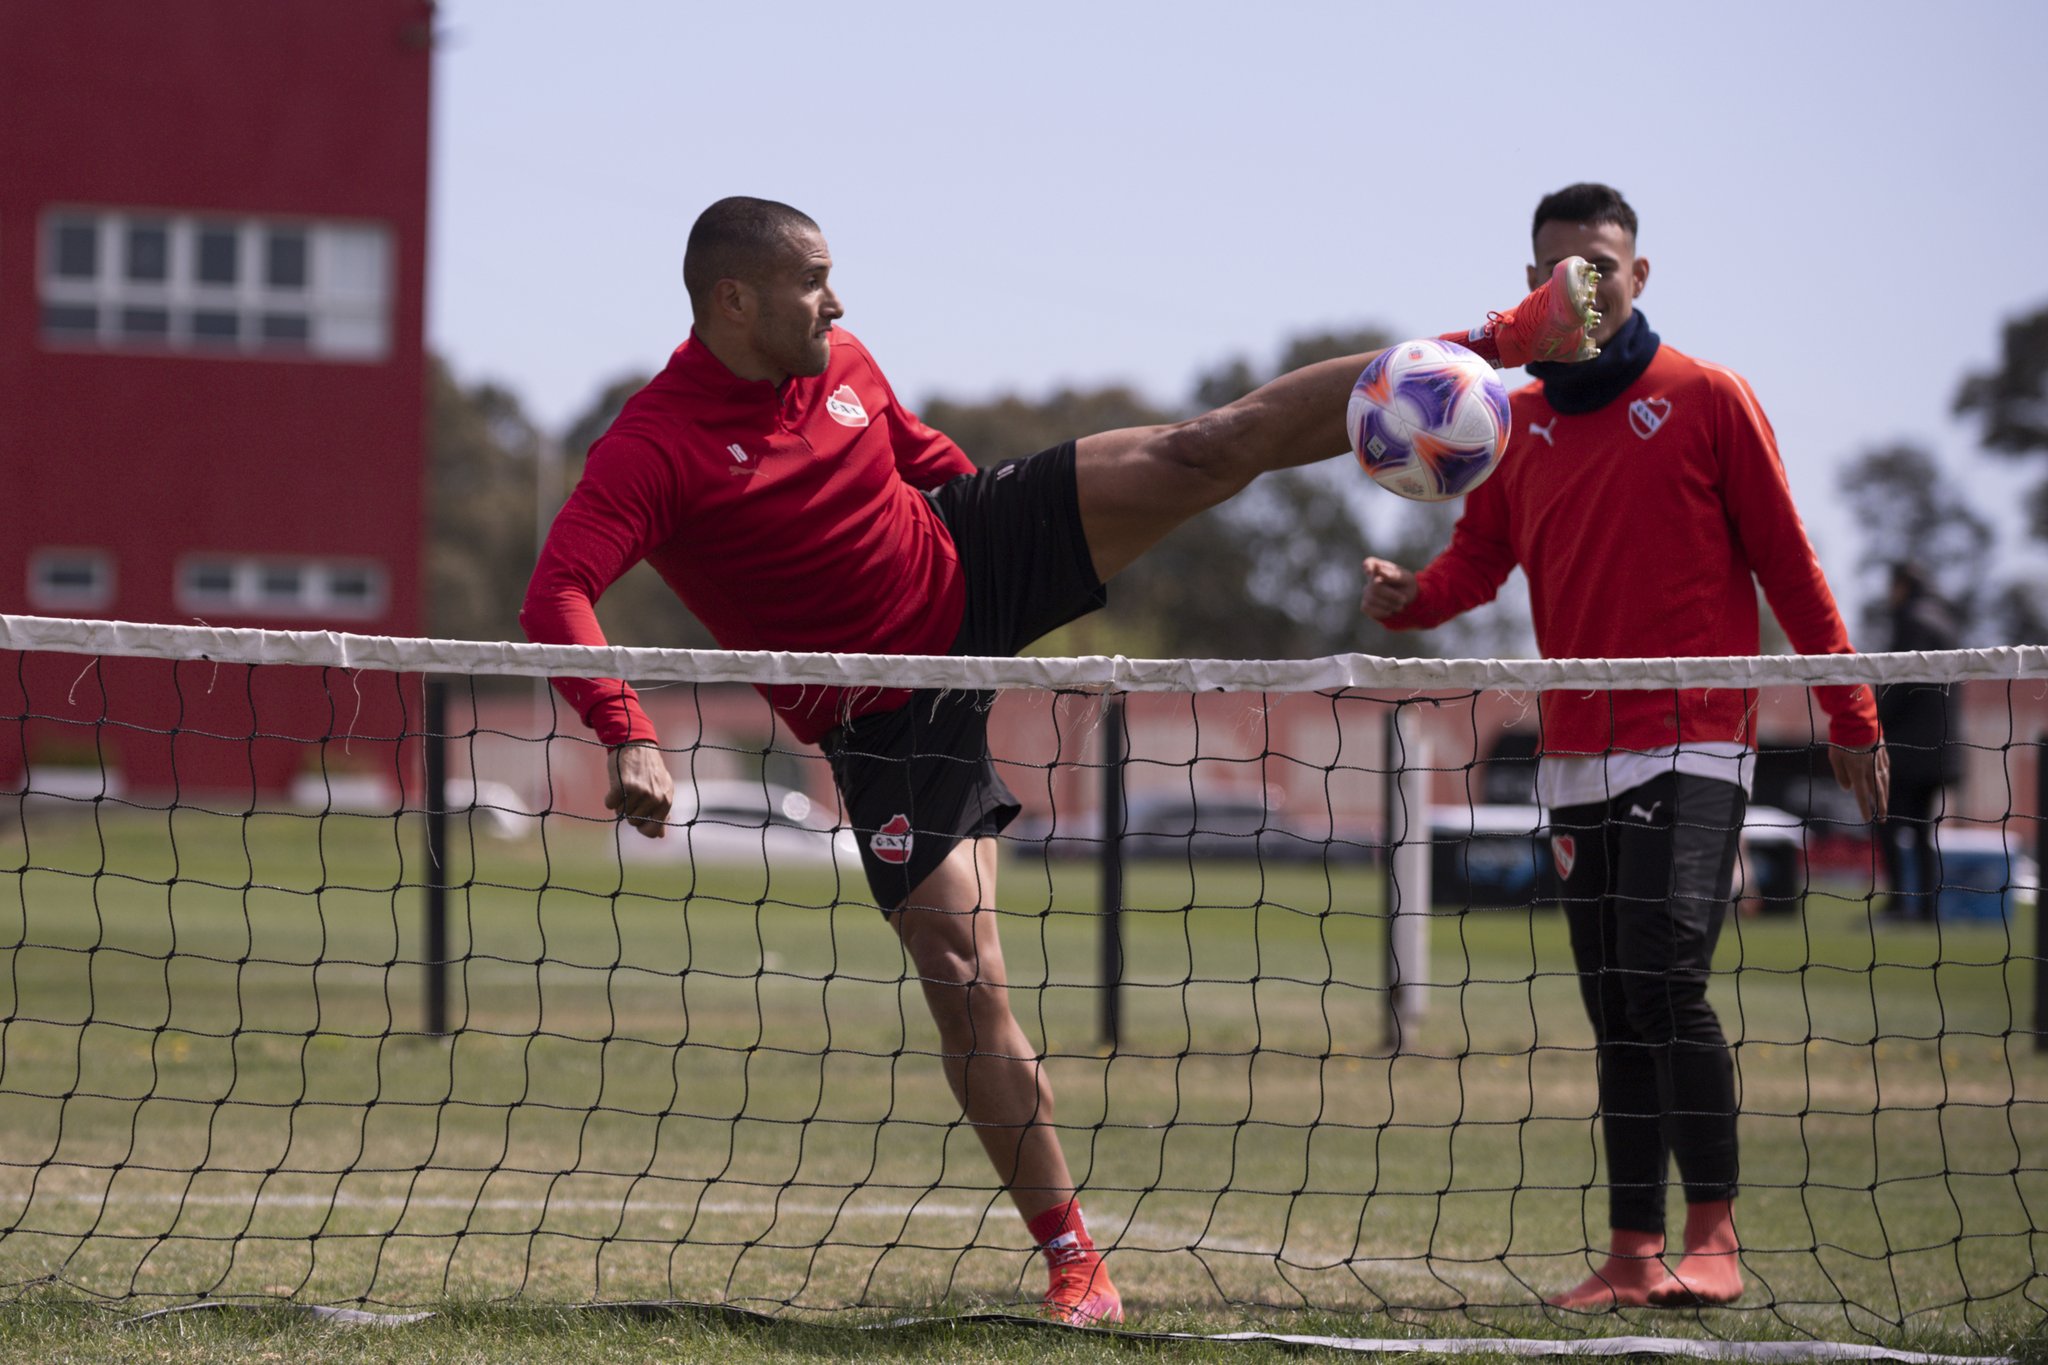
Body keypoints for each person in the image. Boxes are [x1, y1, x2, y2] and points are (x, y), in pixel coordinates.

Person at [522, 195, 1600, 1325]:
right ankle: (1076, 1261)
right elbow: (557, 588)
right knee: (960, 972)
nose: (835, 302)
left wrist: (1034, 606)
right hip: (882, 715)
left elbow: (926, 464)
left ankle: (1494, 338)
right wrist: (625, 730)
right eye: (813, 280)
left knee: (1205, 445)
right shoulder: (653, 444)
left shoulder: (842, 359)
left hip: (967, 557)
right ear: (733, 299)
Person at [1359, 182, 1889, 1312]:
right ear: (1532, 289)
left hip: (1690, 744)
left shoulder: (1706, 397)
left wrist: (1850, 712)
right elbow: (1480, 559)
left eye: (1600, 267)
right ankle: (1631, 1252)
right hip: (1573, 760)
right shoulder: (1509, 419)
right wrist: (1411, 600)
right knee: (1612, 1003)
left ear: (1637, 277)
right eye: (1559, 272)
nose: (1581, 290)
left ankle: (1714, 1238)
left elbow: (1792, 569)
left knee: (1663, 982)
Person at [1875, 562, 1964, 921]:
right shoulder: (1945, 621)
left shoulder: (1912, 620)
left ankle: (1899, 904)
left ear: (1901, 585)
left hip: (1909, 750)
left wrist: (1871, 719)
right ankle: (1925, 910)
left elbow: (1900, 683)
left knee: (1887, 822)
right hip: (1941, 751)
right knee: (1922, 831)